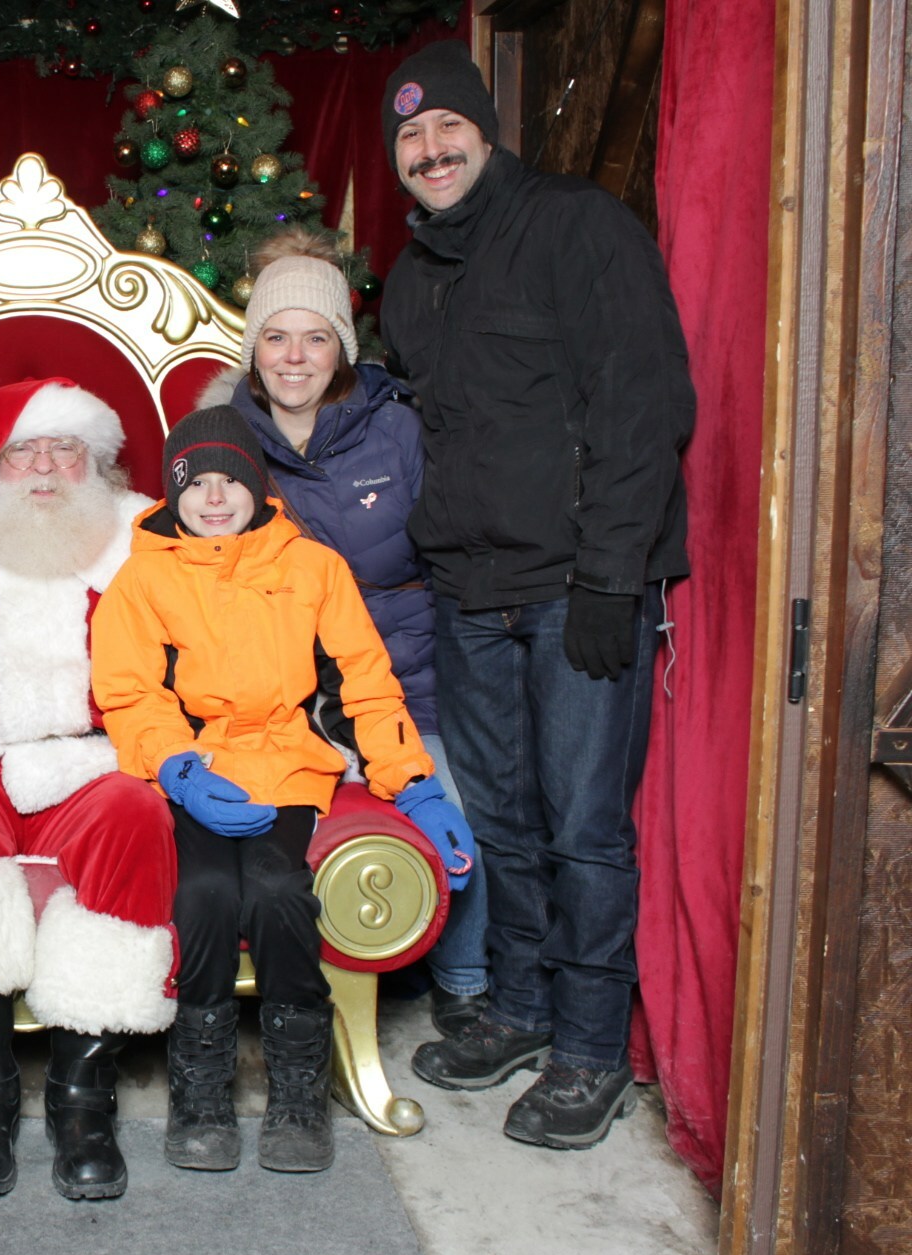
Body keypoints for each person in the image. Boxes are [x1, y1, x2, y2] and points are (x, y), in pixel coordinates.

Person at [379, 41, 695, 1150]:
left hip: (574, 589)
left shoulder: (577, 226)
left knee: (584, 829)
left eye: (446, 127)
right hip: (470, 590)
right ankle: (519, 1008)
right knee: (503, 820)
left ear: (485, 129)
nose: (431, 149)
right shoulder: (412, 278)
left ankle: (591, 1050)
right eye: (409, 137)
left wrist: (613, 573)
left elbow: (642, 403)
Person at [92, 406, 475, 1176]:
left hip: (287, 766)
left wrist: (416, 787)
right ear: (173, 494)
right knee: (202, 893)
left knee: (276, 892)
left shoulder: (314, 568)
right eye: (195, 483)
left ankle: (298, 1086)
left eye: (230, 480)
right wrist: (176, 767)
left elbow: (364, 683)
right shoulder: (143, 576)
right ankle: (201, 1087)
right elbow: (131, 693)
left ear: (257, 487)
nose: (214, 497)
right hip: (197, 772)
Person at [0, 379, 178, 1201]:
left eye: (65, 449)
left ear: (97, 465)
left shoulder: (143, 543)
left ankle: (83, 1094)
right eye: (24, 451)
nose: (44, 467)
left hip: (98, 761)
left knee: (137, 817)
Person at [209, 228, 487, 1036]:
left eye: (316, 338)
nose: (294, 358)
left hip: (401, 679)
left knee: (455, 810)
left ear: (342, 350)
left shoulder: (398, 430)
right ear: (254, 349)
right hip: (284, 696)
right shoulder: (224, 440)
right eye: (276, 337)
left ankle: (465, 986)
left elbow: (453, 558)